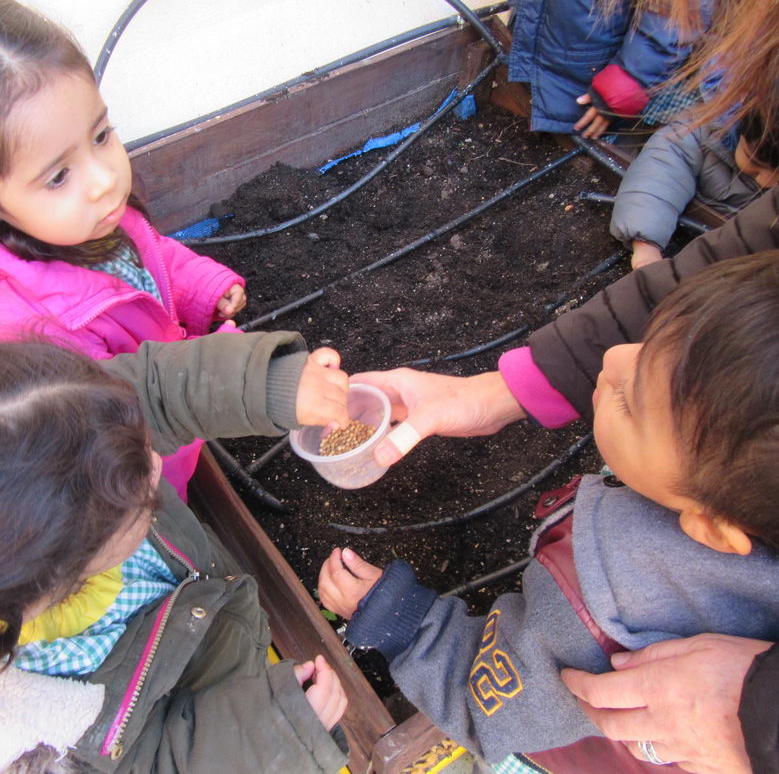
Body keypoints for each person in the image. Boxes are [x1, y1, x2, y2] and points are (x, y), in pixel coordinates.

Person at [0, 326, 350, 773]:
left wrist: (266, 384)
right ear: (60, 570)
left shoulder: (44, 433)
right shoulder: (48, 727)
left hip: (212, 630)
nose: (156, 460)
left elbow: (148, 393)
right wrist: (276, 731)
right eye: (140, 492)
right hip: (219, 711)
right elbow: (161, 762)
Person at [319, 253, 779, 767]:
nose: (615, 359)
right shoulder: (744, 496)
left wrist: (400, 621)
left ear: (712, 526)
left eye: (631, 400)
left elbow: (485, 701)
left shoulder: (604, 613)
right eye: (644, 343)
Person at [0, 0, 246, 498]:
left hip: (178, 426)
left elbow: (149, 255)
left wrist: (203, 287)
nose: (103, 180)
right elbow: (110, 433)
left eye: (100, 136)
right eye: (58, 176)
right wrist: (214, 375)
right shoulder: (31, 334)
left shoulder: (79, 222)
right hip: (139, 482)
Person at [506, 0, 712, 137]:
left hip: (593, 84)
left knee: (592, 144)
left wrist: (626, 83)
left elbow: (674, 17)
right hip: (547, 53)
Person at [611, 108, 779, 268]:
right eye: (754, 162)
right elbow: (659, 170)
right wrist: (645, 243)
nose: (766, 181)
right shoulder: (703, 130)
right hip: (672, 231)